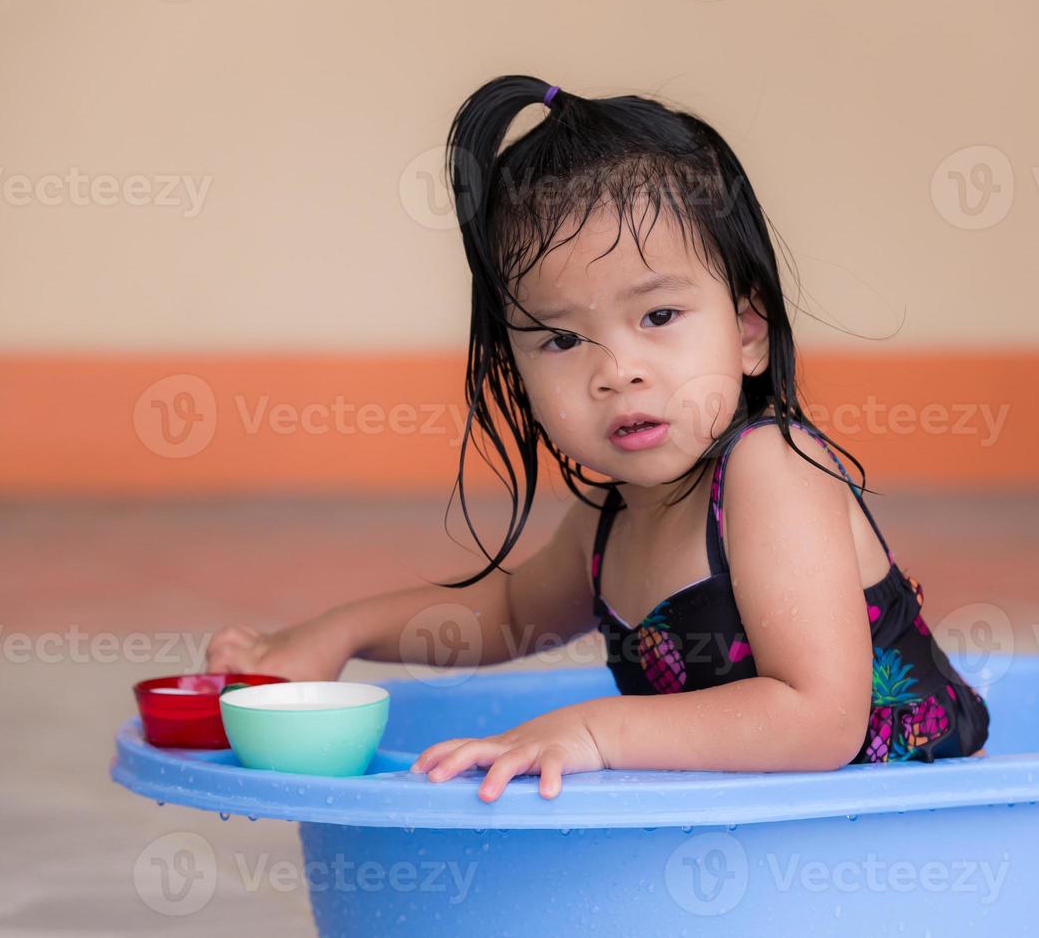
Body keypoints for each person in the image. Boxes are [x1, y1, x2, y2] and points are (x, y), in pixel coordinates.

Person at [207, 74, 990, 802]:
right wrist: (332, 635)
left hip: (913, 839)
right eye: (560, 341)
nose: (617, 372)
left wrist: (590, 730)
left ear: (749, 329)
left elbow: (818, 720)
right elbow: (508, 611)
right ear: (512, 367)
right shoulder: (615, 516)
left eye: (658, 317)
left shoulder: (771, 471)